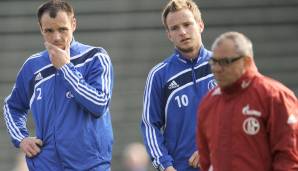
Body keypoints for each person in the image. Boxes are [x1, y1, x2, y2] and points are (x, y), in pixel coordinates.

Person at [3, 0, 113, 170]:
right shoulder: (32, 66)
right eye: (49, 30)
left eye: (62, 29)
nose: (56, 37)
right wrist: (21, 138)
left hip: (91, 165)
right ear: (41, 29)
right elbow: (12, 107)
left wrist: (65, 68)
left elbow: (99, 104)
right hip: (45, 166)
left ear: (73, 24)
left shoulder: (95, 57)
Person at [196, 31, 298, 171]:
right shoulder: (208, 103)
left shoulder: (275, 97)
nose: (217, 69)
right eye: (214, 62)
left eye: (225, 62)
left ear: (246, 61)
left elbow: (289, 160)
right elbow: (206, 161)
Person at [140, 0, 215, 170]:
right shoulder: (158, 75)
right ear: (169, 35)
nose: (182, 32)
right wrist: (165, 166)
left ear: (200, 25)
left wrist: (213, 148)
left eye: (187, 24)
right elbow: (149, 125)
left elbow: (241, 116)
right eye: (174, 28)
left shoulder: (224, 66)